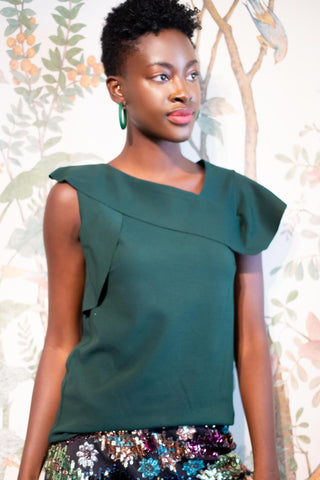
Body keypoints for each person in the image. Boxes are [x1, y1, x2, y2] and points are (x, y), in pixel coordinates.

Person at [18, 0, 286, 479]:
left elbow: (251, 341)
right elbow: (60, 342)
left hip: (204, 453)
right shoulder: (74, 198)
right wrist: (25, 474)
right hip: (92, 455)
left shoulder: (236, 199)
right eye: (162, 77)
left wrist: (267, 469)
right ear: (118, 89)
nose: (184, 92)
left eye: (192, 74)